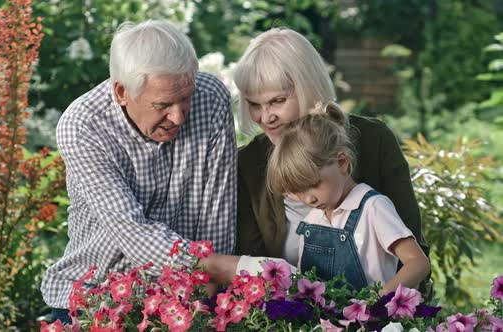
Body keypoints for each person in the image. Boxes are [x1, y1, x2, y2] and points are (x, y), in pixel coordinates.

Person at [41, 20, 244, 324]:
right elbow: (135, 234)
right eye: (162, 105)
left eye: (185, 97)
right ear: (122, 92)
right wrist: (231, 267)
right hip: (95, 301)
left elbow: (217, 220)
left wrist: (207, 293)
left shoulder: (210, 97)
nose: (177, 117)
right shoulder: (83, 126)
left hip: (189, 298)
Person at [233, 28, 430, 274]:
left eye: (277, 101)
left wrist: (383, 306)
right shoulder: (248, 163)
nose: (266, 117)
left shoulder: (373, 140)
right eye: (254, 104)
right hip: (289, 307)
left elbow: (414, 254)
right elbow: (251, 265)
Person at [266, 105, 430, 294]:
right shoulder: (312, 222)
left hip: (376, 320)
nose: (309, 198)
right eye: (298, 191)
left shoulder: (373, 207)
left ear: (342, 162)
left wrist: (377, 302)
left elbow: (418, 263)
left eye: (314, 184)